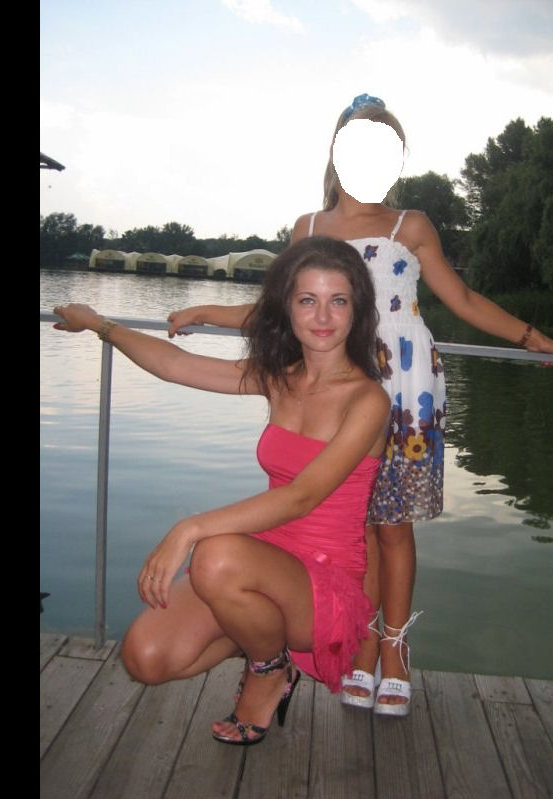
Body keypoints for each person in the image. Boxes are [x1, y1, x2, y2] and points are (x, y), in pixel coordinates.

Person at [167, 94, 553, 717]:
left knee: (392, 525)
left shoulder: (411, 224)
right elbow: (278, 308)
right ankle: (357, 642)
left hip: (407, 393)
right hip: (334, 390)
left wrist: (529, 336)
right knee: (352, 526)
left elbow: (462, 299)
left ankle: (394, 649)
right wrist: (206, 312)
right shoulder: (307, 228)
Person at [52, 236, 391, 745]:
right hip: (257, 563)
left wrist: (189, 529)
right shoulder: (279, 379)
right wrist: (100, 324)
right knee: (145, 657)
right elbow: (176, 365)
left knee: (213, 554)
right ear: (287, 308)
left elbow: (301, 497)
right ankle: (257, 634)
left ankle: (268, 668)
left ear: (356, 309)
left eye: (337, 301)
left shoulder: (368, 400)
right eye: (307, 300)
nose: (322, 316)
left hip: (324, 585)